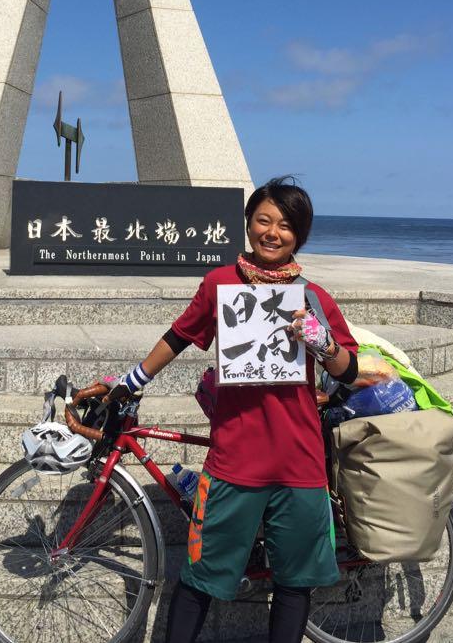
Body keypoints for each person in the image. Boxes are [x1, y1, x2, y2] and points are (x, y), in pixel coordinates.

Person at [109, 177, 359, 643]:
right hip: (234, 460)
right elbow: (180, 335)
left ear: (298, 236)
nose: (272, 232)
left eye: (286, 225)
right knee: (198, 578)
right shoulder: (219, 284)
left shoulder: (314, 297)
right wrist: (134, 379)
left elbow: (348, 370)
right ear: (247, 224)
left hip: (299, 463)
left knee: (293, 583)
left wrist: (322, 344)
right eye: (263, 220)